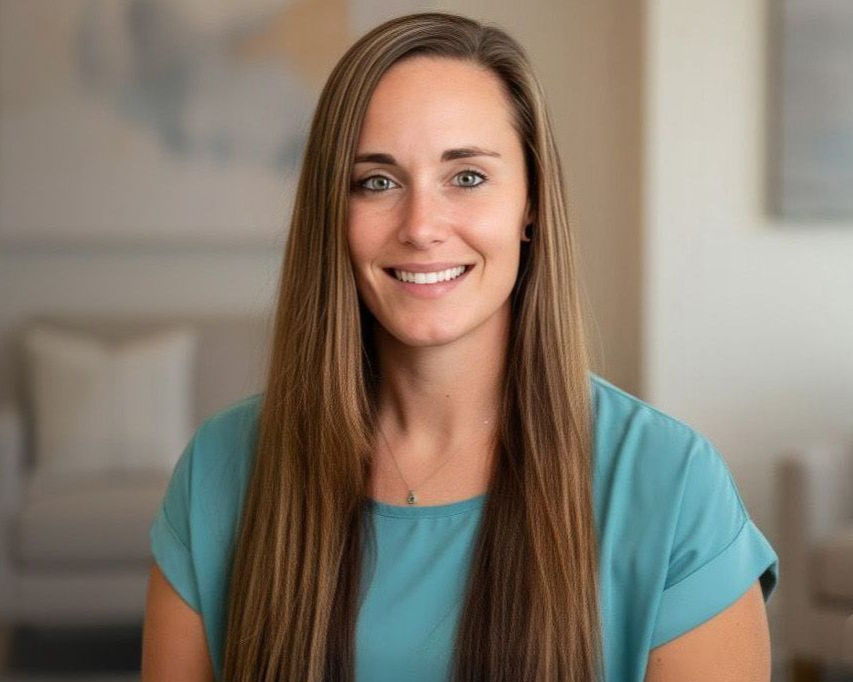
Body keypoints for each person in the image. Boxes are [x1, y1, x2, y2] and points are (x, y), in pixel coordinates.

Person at [141, 11, 779, 682]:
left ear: (530, 202)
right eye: (377, 181)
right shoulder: (220, 470)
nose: (420, 227)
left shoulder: (670, 483)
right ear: (333, 211)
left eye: (467, 177)